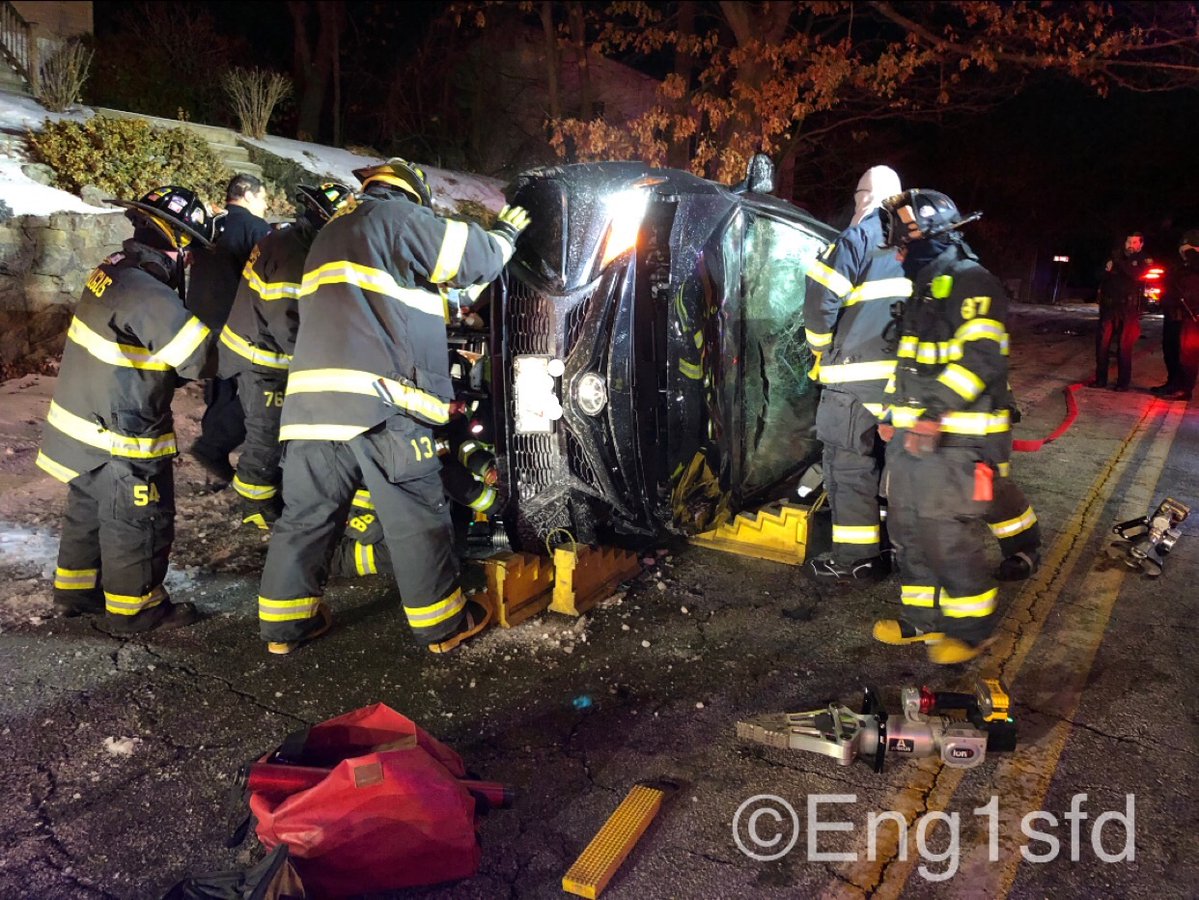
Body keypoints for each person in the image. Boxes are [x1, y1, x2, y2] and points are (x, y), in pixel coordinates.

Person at [255, 158, 530, 655]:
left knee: (307, 517)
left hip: (311, 407)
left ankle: (283, 628)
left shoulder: (333, 234)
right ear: (412, 195)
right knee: (416, 515)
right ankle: (443, 626)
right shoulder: (395, 218)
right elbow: (474, 258)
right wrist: (506, 234)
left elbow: (400, 300)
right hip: (381, 405)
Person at [38, 187, 216, 632]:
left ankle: (76, 592)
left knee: (88, 507)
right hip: (121, 429)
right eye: (190, 249)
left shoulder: (115, 270)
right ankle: (137, 609)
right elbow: (199, 357)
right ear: (178, 243)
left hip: (85, 421)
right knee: (140, 518)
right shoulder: (149, 293)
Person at [871, 188, 1010, 665]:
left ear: (933, 233)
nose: (900, 251)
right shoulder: (926, 288)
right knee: (909, 533)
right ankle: (922, 623)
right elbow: (908, 364)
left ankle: (972, 632)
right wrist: (890, 415)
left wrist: (933, 413)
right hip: (913, 443)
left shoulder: (973, 282)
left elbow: (982, 357)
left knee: (948, 537)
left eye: (905, 239)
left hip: (955, 441)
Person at [217, 182, 354, 528]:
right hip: (262, 359)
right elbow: (288, 325)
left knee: (268, 429)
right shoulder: (294, 257)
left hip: (260, 349)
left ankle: (267, 491)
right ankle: (254, 510)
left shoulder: (291, 240)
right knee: (267, 433)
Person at [803, 165, 907, 579]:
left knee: (848, 465)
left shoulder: (859, 237)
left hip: (852, 376)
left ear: (864, 196)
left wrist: (818, 348)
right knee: (900, 467)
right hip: (903, 381)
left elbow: (819, 302)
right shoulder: (913, 244)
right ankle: (904, 554)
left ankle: (856, 559)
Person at [190, 173, 272, 482]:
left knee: (218, 392)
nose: (265, 205)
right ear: (248, 195)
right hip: (238, 328)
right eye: (263, 198)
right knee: (249, 395)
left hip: (200, 325)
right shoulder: (256, 230)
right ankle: (219, 452)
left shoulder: (209, 226)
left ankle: (214, 465)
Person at [1091, 232, 1147, 391]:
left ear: (1140, 245)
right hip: (1109, 307)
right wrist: (1107, 268)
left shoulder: (1142, 260)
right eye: (1128, 241)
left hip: (1128, 309)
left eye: (1135, 242)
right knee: (1102, 345)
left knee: (1124, 346)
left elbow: (1135, 274)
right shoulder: (1114, 257)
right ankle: (1100, 379)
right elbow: (1098, 275)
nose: (1131, 245)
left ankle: (1122, 383)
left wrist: (1118, 262)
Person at [1151, 229, 1199, 402]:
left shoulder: (1195, 264)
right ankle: (1172, 382)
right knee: (1170, 350)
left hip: (1191, 315)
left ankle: (1185, 388)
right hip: (1173, 313)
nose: (1183, 252)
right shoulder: (1181, 265)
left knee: (1187, 354)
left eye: (1188, 248)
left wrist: (1193, 253)